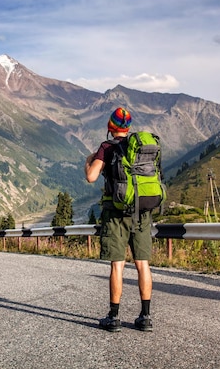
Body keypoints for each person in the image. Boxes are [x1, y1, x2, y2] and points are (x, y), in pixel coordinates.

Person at [84, 107, 154, 332]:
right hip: (142, 211)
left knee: (118, 264)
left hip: (116, 213)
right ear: (128, 127)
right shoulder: (142, 148)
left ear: (110, 127)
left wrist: (89, 160)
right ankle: (145, 317)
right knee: (142, 264)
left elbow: (91, 177)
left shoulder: (107, 147)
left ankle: (113, 317)